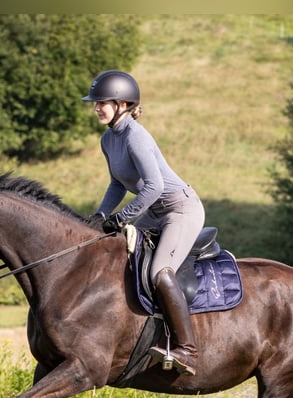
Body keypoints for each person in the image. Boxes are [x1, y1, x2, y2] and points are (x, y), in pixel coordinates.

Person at [82, 70, 205, 376]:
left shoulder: (136, 137)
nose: (97, 107)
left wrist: (122, 218)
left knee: (158, 272)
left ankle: (187, 350)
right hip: (154, 208)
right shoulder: (108, 139)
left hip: (179, 210)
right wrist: (99, 217)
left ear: (123, 104)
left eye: (102, 103)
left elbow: (154, 187)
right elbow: (116, 184)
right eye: (95, 103)